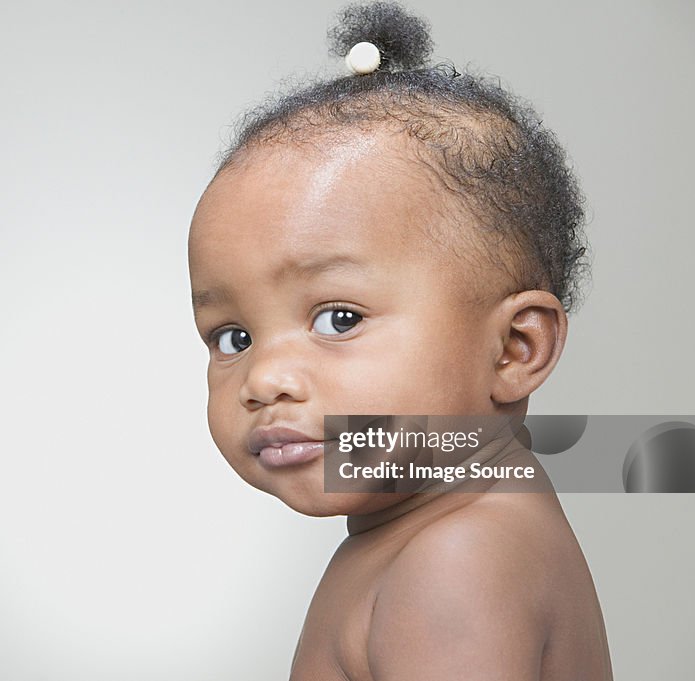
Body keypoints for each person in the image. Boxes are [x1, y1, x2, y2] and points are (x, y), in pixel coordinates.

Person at [187, 2, 613, 679]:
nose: (264, 379)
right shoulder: (440, 526)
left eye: (339, 319)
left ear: (514, 349)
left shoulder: (456, 559)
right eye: (232, 335)